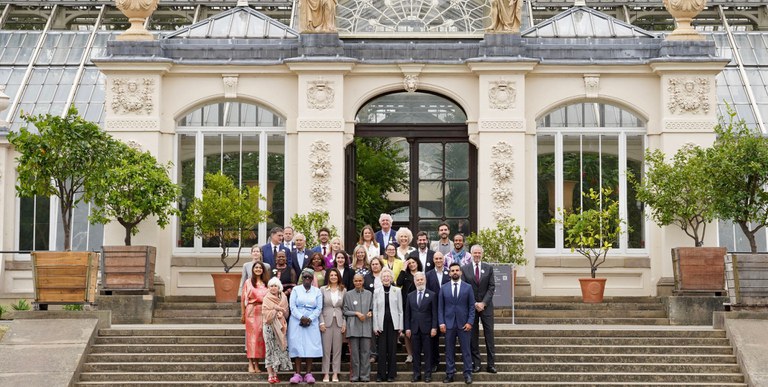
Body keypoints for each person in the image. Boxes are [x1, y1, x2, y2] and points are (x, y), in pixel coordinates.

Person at [461, 244, 497, 374]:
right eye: (475, 253)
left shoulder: (489, 268)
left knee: (489, 336)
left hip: (486, 307)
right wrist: (475, 303)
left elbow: (491, 287)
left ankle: (491, 364)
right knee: (473, 336)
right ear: (471, 254)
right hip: (472, 307)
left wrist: (483, 303)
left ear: (482, 254)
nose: (477, 255)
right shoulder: (465, 269)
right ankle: (476, 364)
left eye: (479, 253)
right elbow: (465, 288)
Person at [439, 262, 475, 384]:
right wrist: (441, 323)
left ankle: (468, 373)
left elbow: (471, 306)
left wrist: (470, 322)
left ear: (460, 272)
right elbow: (440, 307)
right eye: (452, 271)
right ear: (449, 273)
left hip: (464, 324)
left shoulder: (468, 287)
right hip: (448, 324)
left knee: (466, 350)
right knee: (449, 350)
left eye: (457, 270)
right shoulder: (443, 288)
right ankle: (449, 374)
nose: (455, 272)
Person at [288, 268, 323, 384]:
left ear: (313, 279)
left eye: (309, 277)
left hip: (311, 321)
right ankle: (297, 374)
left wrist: (310, 318)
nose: (307, 279)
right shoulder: (296, 290)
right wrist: (301, 317)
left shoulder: (317, 291)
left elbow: (319, 308)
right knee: (297, 345)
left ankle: (308, 373)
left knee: (310, 346)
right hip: (297, 320)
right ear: (301, 278)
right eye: (305, 277)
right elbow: (292, 306)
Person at [404, 272, 438, 383]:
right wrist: (407, 328)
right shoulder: (410, 295)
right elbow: (407, 313)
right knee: (416, 353)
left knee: (428, 353)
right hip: (414, 329)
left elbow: (434, 313)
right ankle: (416, 374)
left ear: (425, 280)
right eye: (417, 280)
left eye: (421, 279)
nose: (420, 281)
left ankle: (428, 375)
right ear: (414, 282)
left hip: (428, 329)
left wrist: (434, 327)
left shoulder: (432, 295)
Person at [372, 268, 403, 382]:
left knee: (392, 350)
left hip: (393, 324)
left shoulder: (397, 291)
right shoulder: (376, 291)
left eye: (388, 276)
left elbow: (400, 310)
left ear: (391, 278)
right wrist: (375, 326)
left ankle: (391, 375)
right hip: (381, 324)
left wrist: (400, 326)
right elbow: (375, 310)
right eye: (384, 276)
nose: (386, 278)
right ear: (381, 279)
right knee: (381, 350)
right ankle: (381, 374)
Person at [343, 274, 374, 383]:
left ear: (363, 281)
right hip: (353, 328)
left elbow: (372, 308)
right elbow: (345, 311)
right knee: (354, 355)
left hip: (366, 327)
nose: (358, 283)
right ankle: (355, 376)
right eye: (356, 281)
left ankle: (365, 376)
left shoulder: (369, 294)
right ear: (353, 281)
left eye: (360, 281)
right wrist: (356, 313)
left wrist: (370, 313)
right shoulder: (348, 294)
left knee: (366, 354)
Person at [262, 277, 292, 384]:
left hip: (280, 326)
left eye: (275, 286)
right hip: (269, 326)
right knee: (270, 349)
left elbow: (287, 312)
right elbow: (266, 315)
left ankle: (276, 374)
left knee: (278, 349)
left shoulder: (283, 297)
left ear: (279, 287)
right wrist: (276, 310)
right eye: (271, 286)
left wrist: (281, 314)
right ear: (268, 287)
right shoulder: (266, 298)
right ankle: (270, 375)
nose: (273, 288)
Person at [241, 262, 269, 373]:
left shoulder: (266, 283)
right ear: (253, 270)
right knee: (251, 338)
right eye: (256, 267)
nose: (258, 269)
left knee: (260, 338)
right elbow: (243, 299)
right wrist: (243, 314)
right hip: (251, 311)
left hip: (263, 311)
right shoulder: (248, 282)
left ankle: (257, 364)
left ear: (263, 270)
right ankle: (250, 363)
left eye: (260, 268)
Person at [320, 268, 347, 382]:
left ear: (338, 277)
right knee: (326, 349)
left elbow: (345, 308)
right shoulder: (322, 289)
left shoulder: (343, 290)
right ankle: (326, 373)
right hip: (326, 321)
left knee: (337, 349)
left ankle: (335, 373)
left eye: (335, 275)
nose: (333, 277)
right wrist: (321, 322)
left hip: (339, 321)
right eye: (331, 275)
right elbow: (319, 307)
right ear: (328, 277)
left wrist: (344, 322)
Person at [426, 251, 450, 372]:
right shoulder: (428, 274)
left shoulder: (450, 273)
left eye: (441, 258)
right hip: (434, 310)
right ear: (433, 260)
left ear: (444, 260)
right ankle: (435, 362)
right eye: (436, 258)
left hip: (448, 310)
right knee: (433, 339)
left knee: (449, 338)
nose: (439, 260)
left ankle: (449, 364)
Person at [397, 257, 423, 363]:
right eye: (410, 263)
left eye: (414, 262)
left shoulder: (422, 275)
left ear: (417, 263)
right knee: (407, 331)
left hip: (419, 306)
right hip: (406, 306)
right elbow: (398, 283)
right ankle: (410, 354)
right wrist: (403, 269)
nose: (412, 264)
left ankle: (418, 353)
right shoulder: (405, 275)